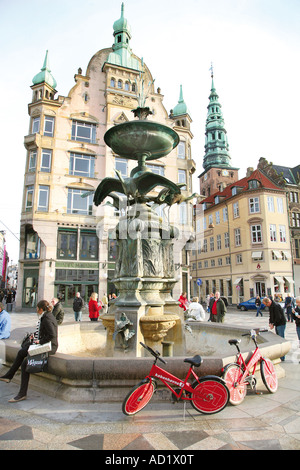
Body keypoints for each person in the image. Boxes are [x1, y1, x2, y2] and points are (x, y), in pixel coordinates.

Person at [0, 300, 58, 403]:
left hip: (49, 348)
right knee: (22, 352)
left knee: (25, 363)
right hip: (44, 344)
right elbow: (45, 332)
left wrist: (39, 341)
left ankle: (22, 394)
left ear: (41, 309)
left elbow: (52, 335)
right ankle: (9, 376)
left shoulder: (47, 319)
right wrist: (36, 337)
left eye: (37, 308)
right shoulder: (46, 316)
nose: (36, 310)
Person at [262, 296, 286, 360]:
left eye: (266, 304)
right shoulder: (271, 306)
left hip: (281, 323)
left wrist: (273, 324)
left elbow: (278, 317)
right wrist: (270, 322)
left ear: (268, 302)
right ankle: (280, 356)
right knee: (278, 339)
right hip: (277, 324)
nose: (266, 306)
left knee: (281, 340)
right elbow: (271, 315)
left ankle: (282, 357)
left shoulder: (275, 306)